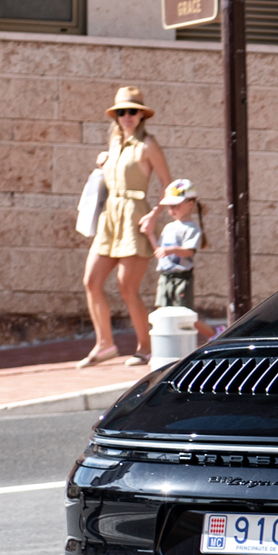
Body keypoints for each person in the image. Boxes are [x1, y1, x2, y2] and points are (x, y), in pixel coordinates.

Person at [76, 85, 168, 367]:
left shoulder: (148, 145)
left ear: (141, 115)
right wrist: (102, 162)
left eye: (132, 111)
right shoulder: (114, 145)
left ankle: (146, 346)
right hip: (110, 218)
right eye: (121, 112)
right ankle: (105, 344)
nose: (127, 116)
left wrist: (155, 215)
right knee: (91, 281)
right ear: (116, 116)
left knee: (127, 287)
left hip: (133, 217)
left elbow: (169, 185)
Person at [140, 178, 216, 342]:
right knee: (162, 310)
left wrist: (171, 250)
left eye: (176, 205)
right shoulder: (169, 227)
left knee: (185, 314)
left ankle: (213, 333)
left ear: (190, 204)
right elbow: (160, 251)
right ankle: (166, 344)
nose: (171, 209)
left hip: (182, 278)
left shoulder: (191, 229)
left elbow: (188, 251)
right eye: (169, 206)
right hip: (165, 276)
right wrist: (150, 234)